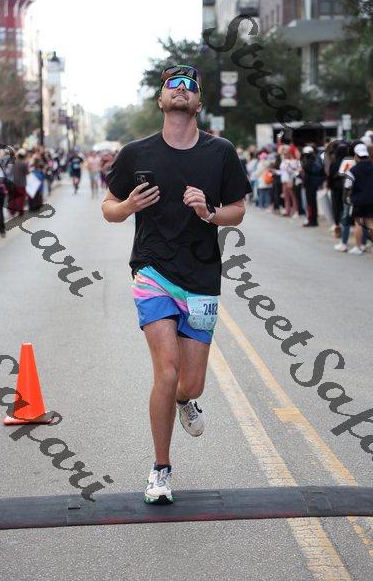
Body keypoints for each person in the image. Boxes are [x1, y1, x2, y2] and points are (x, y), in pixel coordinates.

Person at [101, 64, 251, 505]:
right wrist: (128, 206)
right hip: (152, 272)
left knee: (191, 384)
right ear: (161, 100)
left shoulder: (220, 152)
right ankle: (160, 469)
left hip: (201, 278)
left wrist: (209, 212)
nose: (181, 90)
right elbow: (108, 208)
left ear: (198, 102)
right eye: (173, 85)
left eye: (190, 86)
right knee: (166, 370)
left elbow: (238, 210)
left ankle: (187, 401)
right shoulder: (136, 153)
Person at [343, 142, 373, 255]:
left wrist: (347, 198)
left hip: (358, 200)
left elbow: (347, 186)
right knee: (370, 222)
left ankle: (358, 247)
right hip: (371, 199)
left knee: (359, 224)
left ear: (356, 156)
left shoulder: (352, 170)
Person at [301, 146, 325, 227]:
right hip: (313, 185)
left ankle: (312, 220)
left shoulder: (308, 163)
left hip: (309, 185)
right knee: (313, 203)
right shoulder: (315, 161)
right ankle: (314, 220)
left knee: (310, 204)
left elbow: (306, 175)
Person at [9, 148, 28, 216]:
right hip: (22, 183)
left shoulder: (14, 163)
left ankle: (12, 211)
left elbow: (11, 172)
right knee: (21, 198)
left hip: (14, 182)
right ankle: (20, 211)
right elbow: (26, 172)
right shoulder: (23, 163)